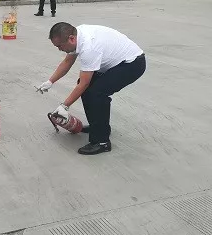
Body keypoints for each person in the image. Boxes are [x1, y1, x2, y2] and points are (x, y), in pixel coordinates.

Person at [36, 22, 146, 155]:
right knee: (89, 91)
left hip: (132, 64)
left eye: (60, 46)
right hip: (118, 62)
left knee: (96, 93)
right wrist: (50, 81)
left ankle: (102, 142)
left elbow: (84, 84)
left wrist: (64, 106)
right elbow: (67, 62)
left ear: (71, 38)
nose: (59, 49)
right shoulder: (76, 35)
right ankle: (97, 127)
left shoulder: (89, 47)